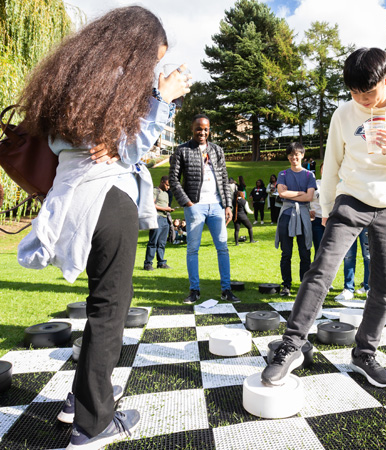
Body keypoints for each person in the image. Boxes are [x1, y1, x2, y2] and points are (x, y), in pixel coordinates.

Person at [16, 7, 190, 448]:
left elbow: (83, 145)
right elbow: (131, 151)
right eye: (151, 58)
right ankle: (93, 426)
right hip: (108, 201)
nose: (151, 69)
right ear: (132, 49)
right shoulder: (116, 79)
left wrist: (116, 142)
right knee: (110, 311)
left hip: (74, 199)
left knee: (101, 306)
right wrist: (163, 98)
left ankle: (81, 399)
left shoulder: (75, 79)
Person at [261, 47, 386, 389]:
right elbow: (331, 165)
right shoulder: (344, 113)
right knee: (320, 272)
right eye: (354, 93)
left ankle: (364, 353)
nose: (361, 101)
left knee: (384, 288)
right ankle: (292, 345)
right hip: (350, 199)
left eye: (367, 93)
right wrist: (326, 209)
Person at [169, 114, 240, 304]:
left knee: (223, 248)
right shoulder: (181, 150)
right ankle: (194, 290)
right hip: (195, 207)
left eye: (206, 129)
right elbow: (174, 180)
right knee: (193, 249)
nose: (202, 132)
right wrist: (187, 203)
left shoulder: (217, 150)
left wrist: (227, 205)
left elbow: (224, 179)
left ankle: (226, 290)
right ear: (192, 129)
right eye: (198, 128)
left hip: (216, 206)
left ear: (210, 130)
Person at [275, 142, 317, 297]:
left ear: (302, 155)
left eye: (297, 154)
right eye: (291, 155)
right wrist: (300, 193)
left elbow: (309, 196)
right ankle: (286, 284)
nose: (294, 157)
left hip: (303, 215)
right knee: (286, 253)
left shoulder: (309, 175)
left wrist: (291, 193)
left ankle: (304, 285)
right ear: (288, 157)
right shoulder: (283, 174)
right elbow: (281, 194)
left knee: (305, 252)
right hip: (286, 214)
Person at [144, 175, 174, 270]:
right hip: (156, 218)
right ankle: (148, 264)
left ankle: (161, 263)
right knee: (153, 241)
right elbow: (151, 204)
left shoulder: (166, 193)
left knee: (162, 242)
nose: (168, 187)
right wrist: (165, 208)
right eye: (167, 185)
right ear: (162, 182)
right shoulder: (154, 191)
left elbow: (166, 205)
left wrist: (168, 210)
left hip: (165, 218)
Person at [334, 229, 370, 300]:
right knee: (348, 256)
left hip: (366, 222)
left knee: (368, 256)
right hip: (349, 223)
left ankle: (369, 288)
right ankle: (348, 289)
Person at [309, 163, 324, 256]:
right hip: (317, 220)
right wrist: (309, 209)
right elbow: (307, 198)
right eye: (323, 169)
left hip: (332, 221)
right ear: (320, 171)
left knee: (330, 250)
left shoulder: (337, 185)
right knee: (318, 249)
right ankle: (317, 270)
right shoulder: (315, 184)